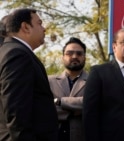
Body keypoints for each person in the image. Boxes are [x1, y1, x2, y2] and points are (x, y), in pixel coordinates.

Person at [0, 8, 58, 141]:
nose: (44, 29)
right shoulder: (17, 55)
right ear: (25, 27)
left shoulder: (8, 51)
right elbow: (16, 110)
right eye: (39, 23)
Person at [48, 37, 88, 141]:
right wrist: (78, 109)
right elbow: (45, 109)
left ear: (85, 57)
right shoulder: (49, 81)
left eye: (79, 54)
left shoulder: (94, 81)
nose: (74, 56)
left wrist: (59, 102)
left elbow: (91, 104)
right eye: (69, 53)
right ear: (63, 57)